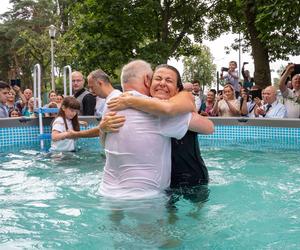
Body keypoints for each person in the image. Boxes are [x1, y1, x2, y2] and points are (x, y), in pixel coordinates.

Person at [106, 63, 214, 189]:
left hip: (193, 176)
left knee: (195, 209)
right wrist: (103, 128)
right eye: (157, 79)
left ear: (177, 89)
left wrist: (131, 101)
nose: (162, 83)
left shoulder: (183, 99)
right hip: (163, 180)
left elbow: (210, 127)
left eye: (169, 80)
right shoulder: (142, 105)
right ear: (149, 83)